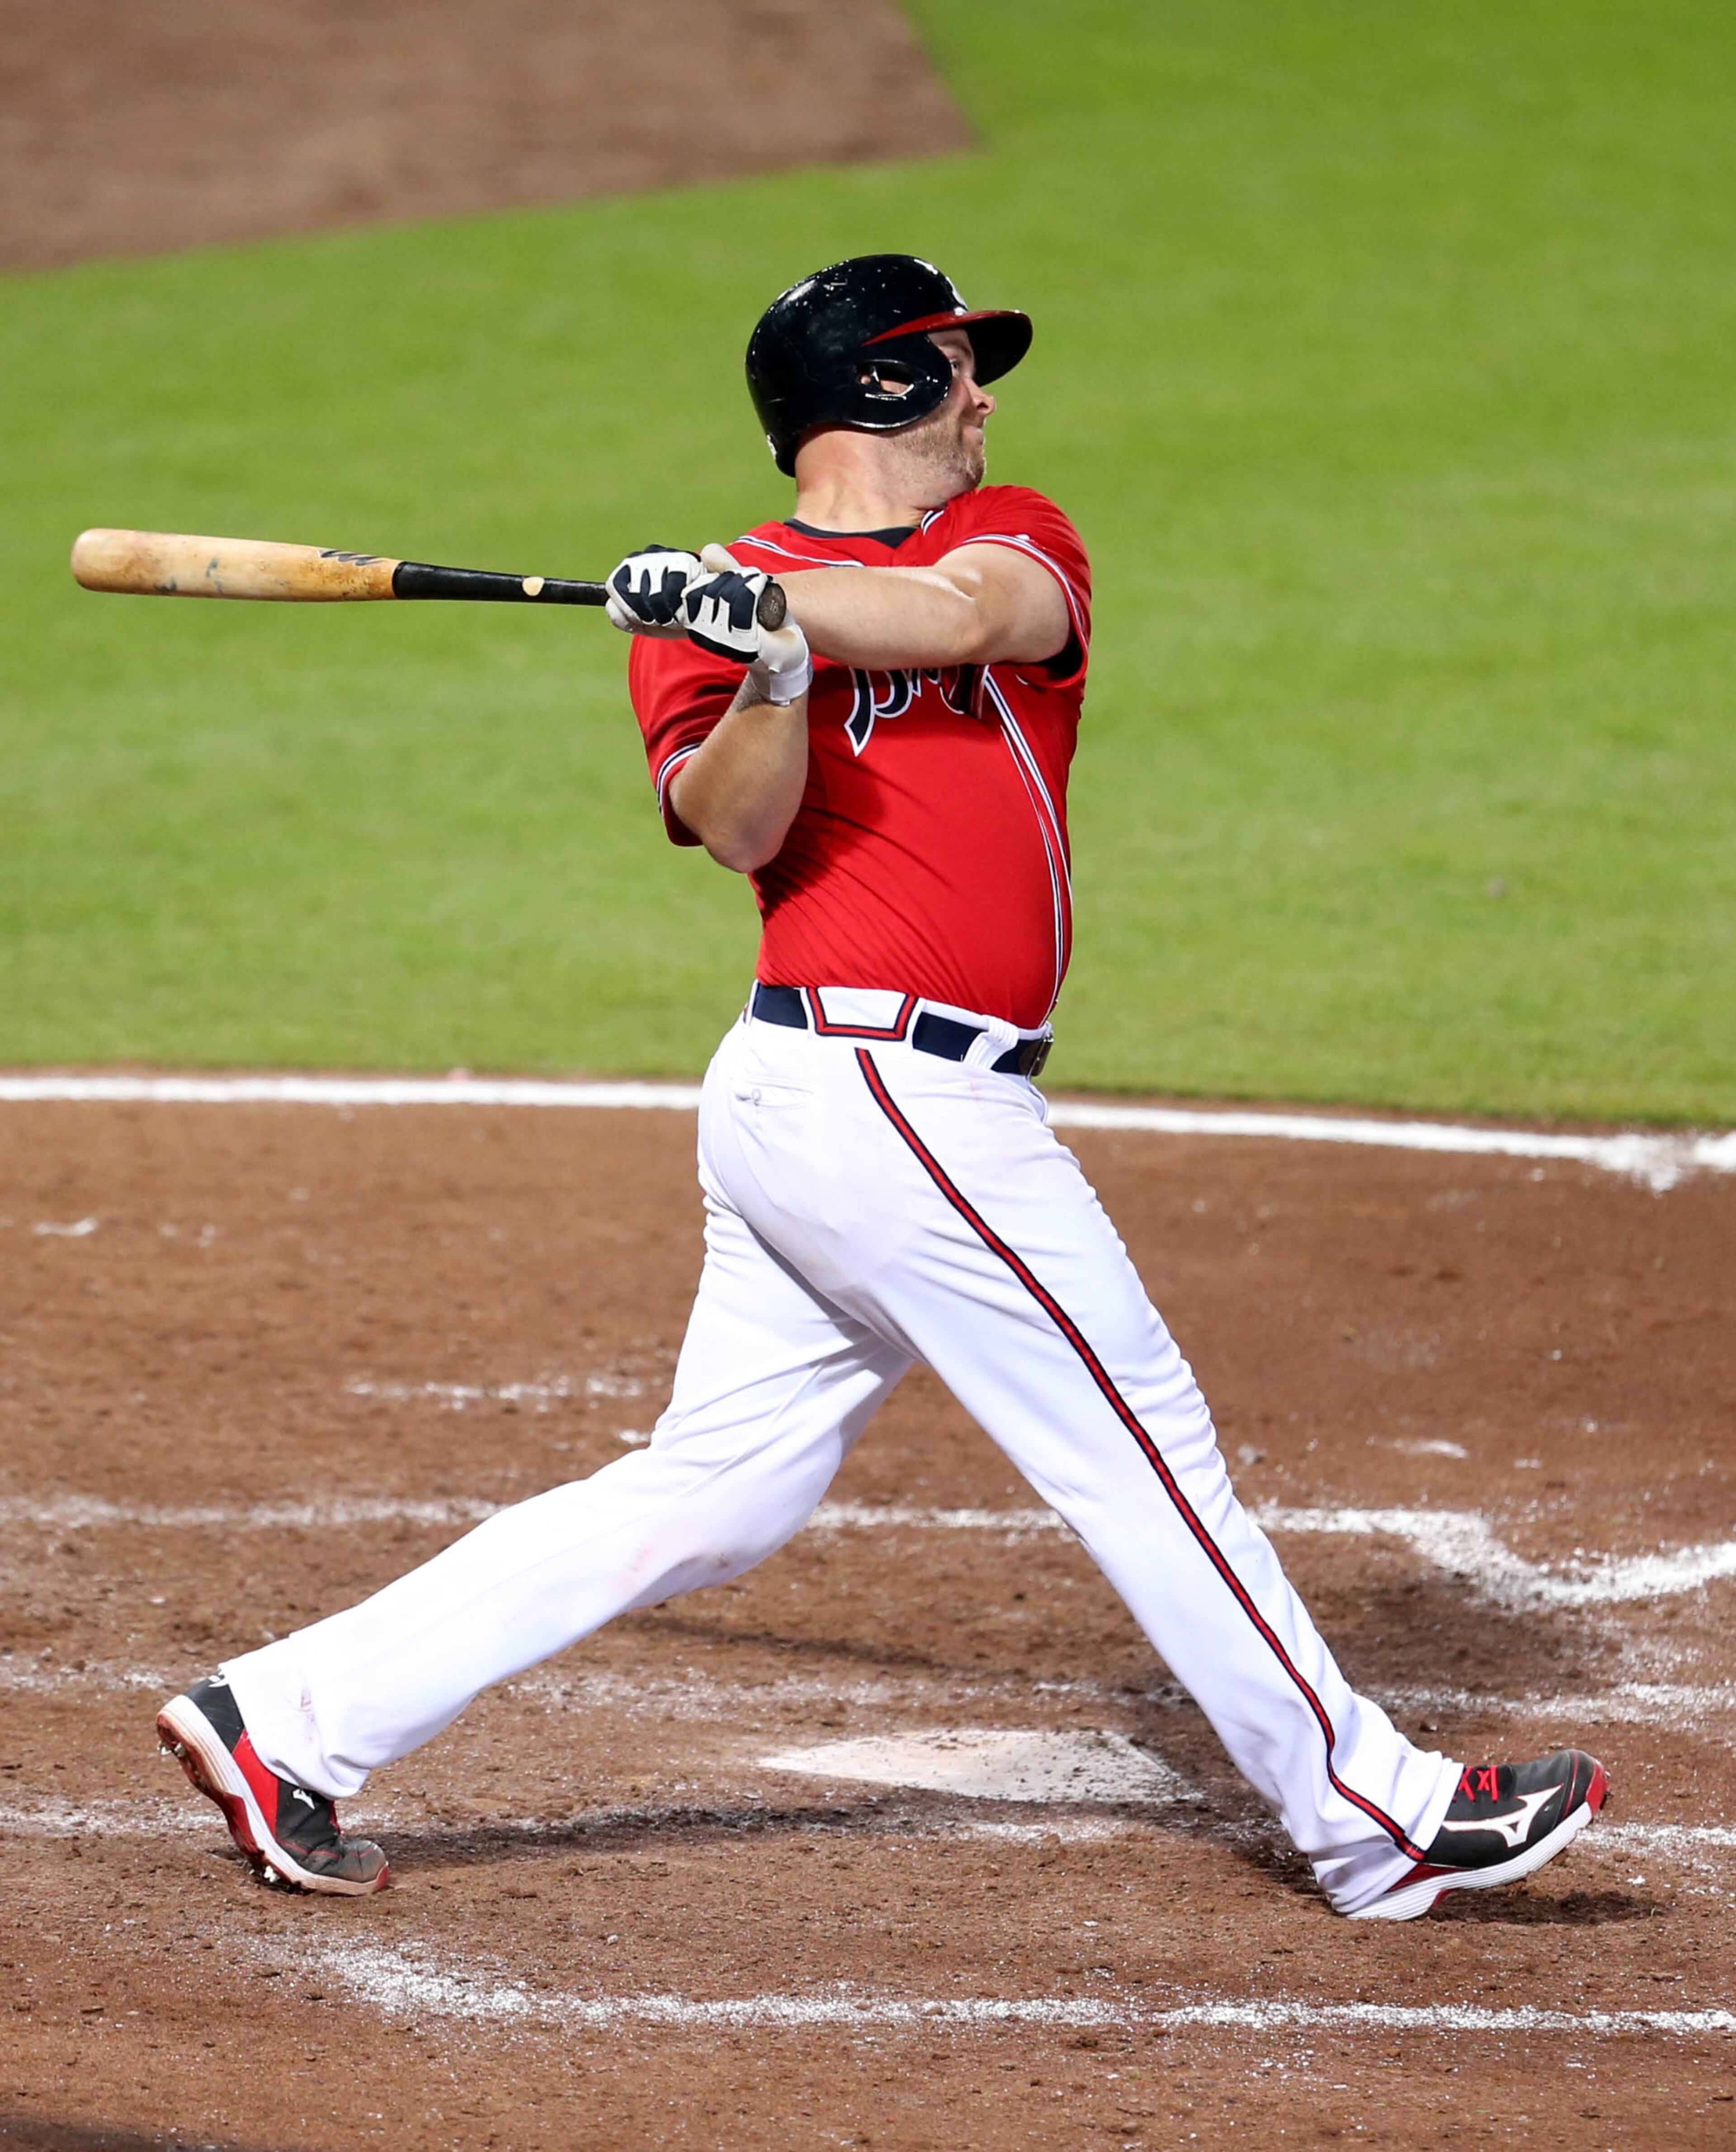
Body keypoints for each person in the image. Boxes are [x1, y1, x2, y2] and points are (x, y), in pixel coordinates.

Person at [157, 255, 1608, 1918]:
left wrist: (770, 611)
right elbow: (741, 827)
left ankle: (286, 1721)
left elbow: (968, 621)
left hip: (868, 1108)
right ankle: (1377, 1812)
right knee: (1142, 1443)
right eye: (954, 364)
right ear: (880, 390)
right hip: (863, 1090)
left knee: (720, 1492)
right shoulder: (710, 615)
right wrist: (759, 667)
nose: (985, 396)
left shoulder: (1011, 536)